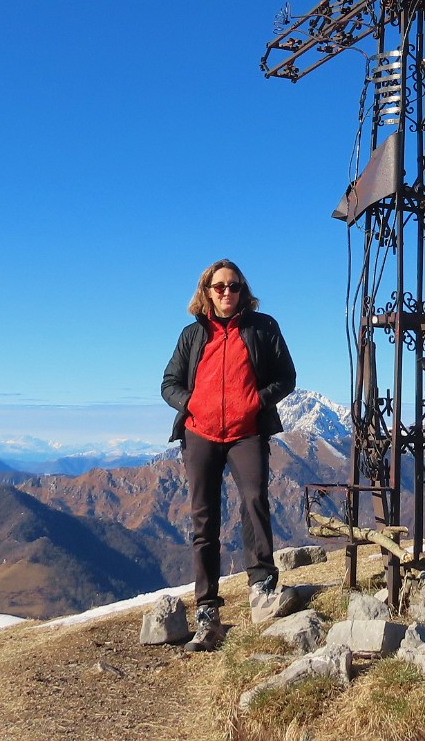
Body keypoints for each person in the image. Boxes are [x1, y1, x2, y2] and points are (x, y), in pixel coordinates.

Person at [161, 258, 296, 651]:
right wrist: (192, 403)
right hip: (200, 433)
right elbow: (168, 382)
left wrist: (255, 402)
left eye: (233, 286)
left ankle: (263, 588)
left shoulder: (263, 327)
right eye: (218, 286)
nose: (226, 292)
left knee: (254, 501)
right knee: (204, 518)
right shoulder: (192, 335)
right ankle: (207, 610)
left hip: (246, 432)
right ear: (206, 291)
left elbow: (286, 377)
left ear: (243, 291)